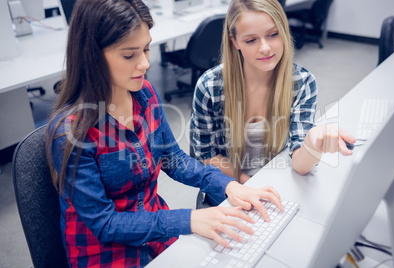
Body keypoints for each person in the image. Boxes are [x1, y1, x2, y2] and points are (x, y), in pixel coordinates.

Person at [46, 0, 284, 267]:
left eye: (146, 49)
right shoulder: (70, 132)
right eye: (129, 55)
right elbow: (105, 223)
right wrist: (189, 220)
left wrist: (229, 186)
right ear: (92, 55)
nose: (145, 63)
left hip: (156, 231)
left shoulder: (144, 93)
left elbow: (174, 159)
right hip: (106, 252)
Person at [191, 0, 356, 185]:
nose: (265, 48)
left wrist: (311, 143)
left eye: (273, 34)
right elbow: (205, 156)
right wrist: (250, 185)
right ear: (234, 41)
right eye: (251, 40)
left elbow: (301, 166)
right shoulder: (210, 86)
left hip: (279, 184)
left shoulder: (301, 81)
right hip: (228, 187)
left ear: (284, 31)